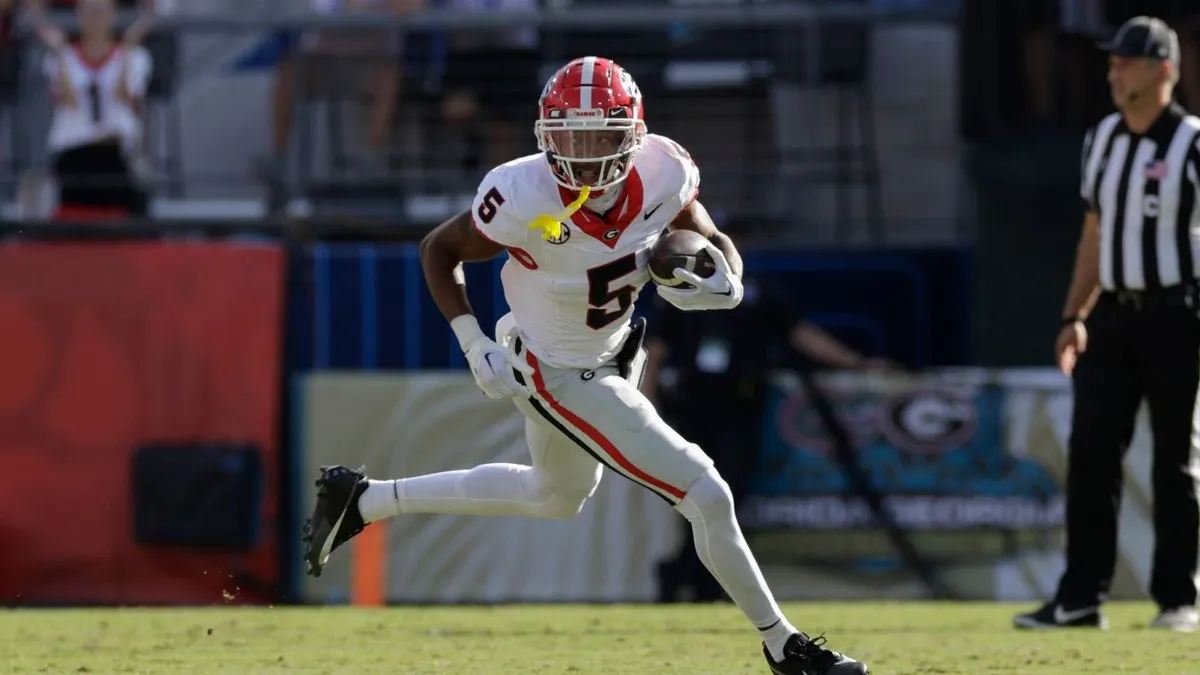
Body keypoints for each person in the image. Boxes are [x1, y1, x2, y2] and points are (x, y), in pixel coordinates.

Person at [302, 56, 868, 675]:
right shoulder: (521, 192)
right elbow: (439, 248)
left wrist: (727, 281)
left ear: (633, 135)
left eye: (600, 136)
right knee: (706, 492)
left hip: (613, 353)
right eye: (569, 136)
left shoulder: (665, 169)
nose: (583, 152)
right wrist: (472, 342)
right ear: (545, 134)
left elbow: (707, 236)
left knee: (554, 495)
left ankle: (364, 501)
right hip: (556, 371)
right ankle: (784, 645)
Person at [1013, 16, 1200, 632]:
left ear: (1163, 69)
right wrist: (1075, 314)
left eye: (1126, 62)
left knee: (1175, 459)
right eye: (1112, 62)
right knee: (1090, 454)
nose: (1113, 73)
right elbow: (1093, 235)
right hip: (1113, 317)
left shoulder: (1192, 142)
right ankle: (1080, 598)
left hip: (1179, 313)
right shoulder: (1103, 140)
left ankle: (1179, 597)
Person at [643, 276, 897, 603]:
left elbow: (801, 334)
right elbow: (657, 348)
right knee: (697, 495)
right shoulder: (681, 291)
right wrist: (647, 403)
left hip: (741, 407)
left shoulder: (758, 292)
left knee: (728, 493)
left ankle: (688, 575)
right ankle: (692, 576)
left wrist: (858, 363)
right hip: (693, 408)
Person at [32, 0, 154, 219]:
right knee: (72, 218)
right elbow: (67, 100)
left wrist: (127, 48)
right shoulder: (61, 57)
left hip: (115, 151)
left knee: (126, 215)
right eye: (88, 13)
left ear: (112, 15)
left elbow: (124, 96)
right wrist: (60, 51)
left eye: (99, 13)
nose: (94, 20)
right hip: (74, 151)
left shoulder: (134, 56)